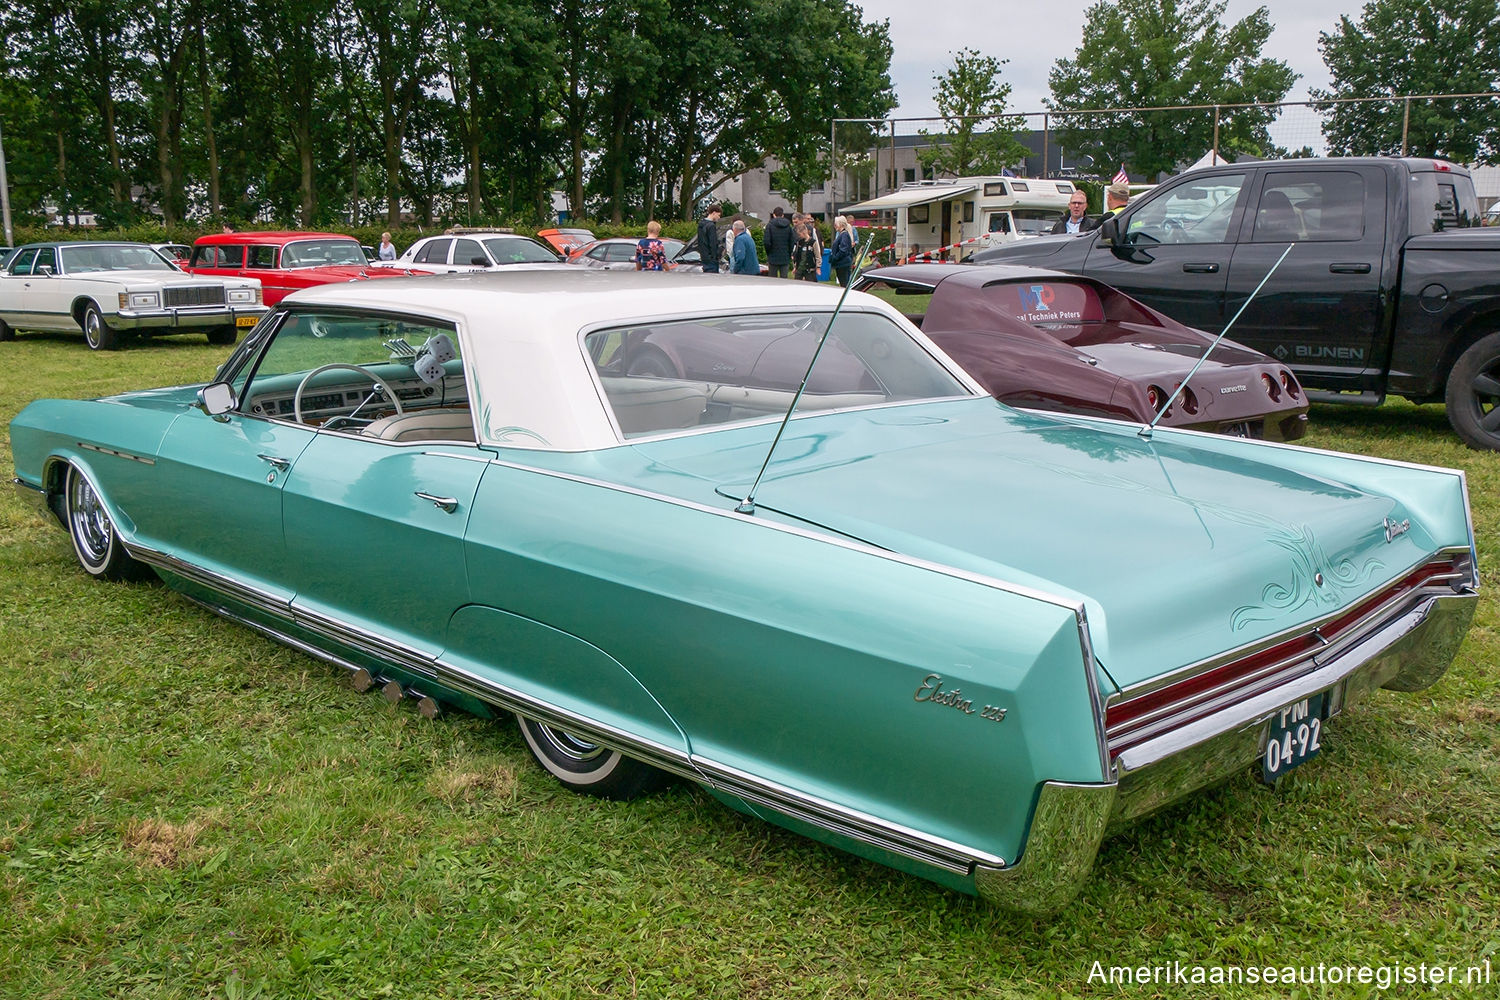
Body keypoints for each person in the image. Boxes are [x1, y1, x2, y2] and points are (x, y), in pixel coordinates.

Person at [763, 206, 793, 278]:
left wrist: (769, 253)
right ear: (783, 215)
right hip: (785, 256)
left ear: (774, 215)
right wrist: (789, 253)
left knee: (773, 280)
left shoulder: (769, 226)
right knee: (784, 279)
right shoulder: (788, 226)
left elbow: (767, 242)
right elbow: (792, 241)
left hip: (773, 256)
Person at [791, 214, 819, 282]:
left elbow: (817, 252)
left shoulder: (811, 231)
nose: (795, 224)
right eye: (793, 222)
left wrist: (818, 266)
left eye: (796, 222)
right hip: (800, 267)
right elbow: (796, 253)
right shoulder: (798, 239)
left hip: (809, 267)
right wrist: (795, 266)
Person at [829, 215, 854, 287]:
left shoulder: (844, 235)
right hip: (841, 264)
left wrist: (835, 258)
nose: (834, 225)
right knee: (843, 283)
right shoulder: (843, 234)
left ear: (841, 224)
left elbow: (843, 250)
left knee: (844, 284)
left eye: (836, 224)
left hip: (843, 264)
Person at [697, 204, 722, 273]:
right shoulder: (711, 226)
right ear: (714, 213)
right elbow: (713, 243)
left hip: (704, 257)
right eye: (718, 215)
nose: (719, 218)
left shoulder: (701, 224)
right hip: (711, 259)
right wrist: (715, 256)